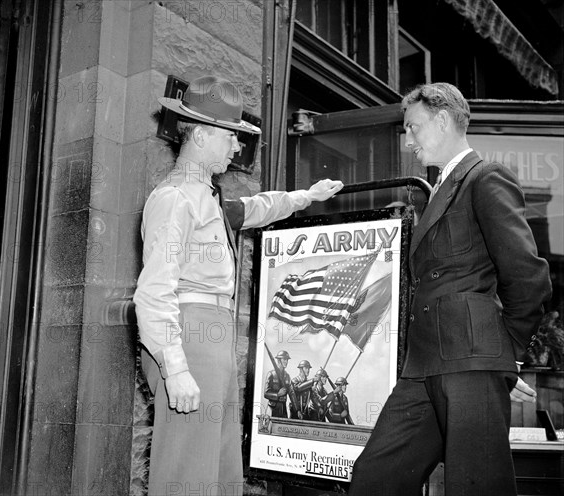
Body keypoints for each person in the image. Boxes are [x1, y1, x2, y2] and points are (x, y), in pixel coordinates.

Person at [133, 74, 343, 496]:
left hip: (213, 336)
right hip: (189, 335)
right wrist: (175, 369)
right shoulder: (175, 198)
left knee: (218, 467)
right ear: (202, 136)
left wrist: (306, 196)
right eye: (231, 137)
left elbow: (258, 207)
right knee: (187, 470)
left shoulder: (205, 198)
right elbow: (154, 291)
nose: (236, 147)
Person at [348, 82, 552, 496]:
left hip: (470, 363)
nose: (408, 141)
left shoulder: (485, 177)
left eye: (413, 128)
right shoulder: (442, 187)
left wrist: (503, 351)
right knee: (375, 479)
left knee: (475, 485)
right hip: (423, 366)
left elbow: (528, 275)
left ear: (442, 120)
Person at [264, 349, 292, 418]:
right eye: (284, 359)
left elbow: (291, 392)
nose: (286, 362)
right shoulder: (271, 374)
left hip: (283, 409)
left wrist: (297, 410)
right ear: (279, 360)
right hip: (273, 408)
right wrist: (277, 394)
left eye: (287, 360)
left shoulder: (287, 376)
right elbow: (266, 393)